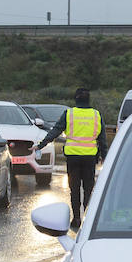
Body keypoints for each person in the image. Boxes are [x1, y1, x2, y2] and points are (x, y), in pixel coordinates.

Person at [36, 87, 108, 228]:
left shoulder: (69, 114)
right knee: (88, 188)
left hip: (73, 158)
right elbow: (103, 139)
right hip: (89, 158)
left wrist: (41, 145)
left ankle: (76, 219)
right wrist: (105, 157)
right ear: (89, 99)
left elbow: (55, 131)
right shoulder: (96, 115)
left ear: (75, 99)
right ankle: (88, 219)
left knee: (74, 189)